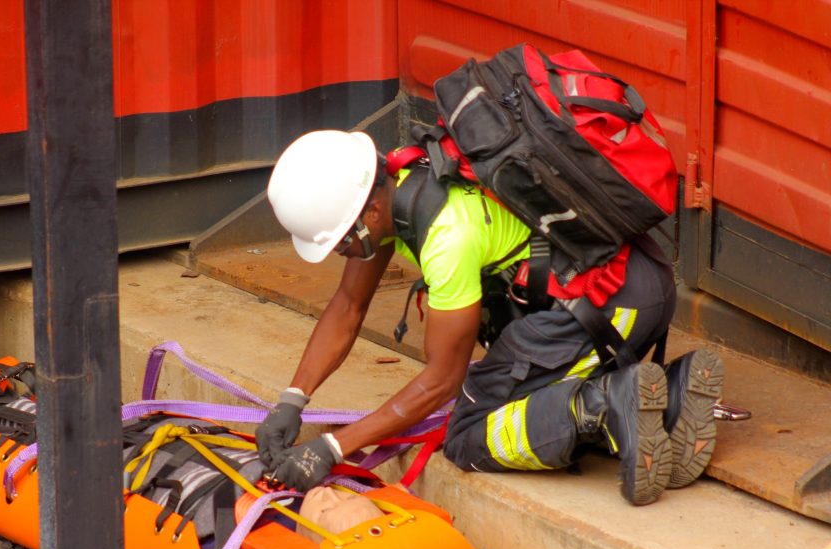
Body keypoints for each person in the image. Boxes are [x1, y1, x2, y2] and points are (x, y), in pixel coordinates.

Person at [257, 129, 723, 505]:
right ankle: (672, 394)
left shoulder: (447, 237)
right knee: (507, 384)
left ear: (369, 212)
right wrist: (292, 401)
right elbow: (348, 306)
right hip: (624, 282)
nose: (343, 253)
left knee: (466, 433)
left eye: (341, 241)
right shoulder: (401, 172)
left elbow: (441, 380)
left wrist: (335, 447)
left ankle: (602, 406)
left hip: (605, 306)